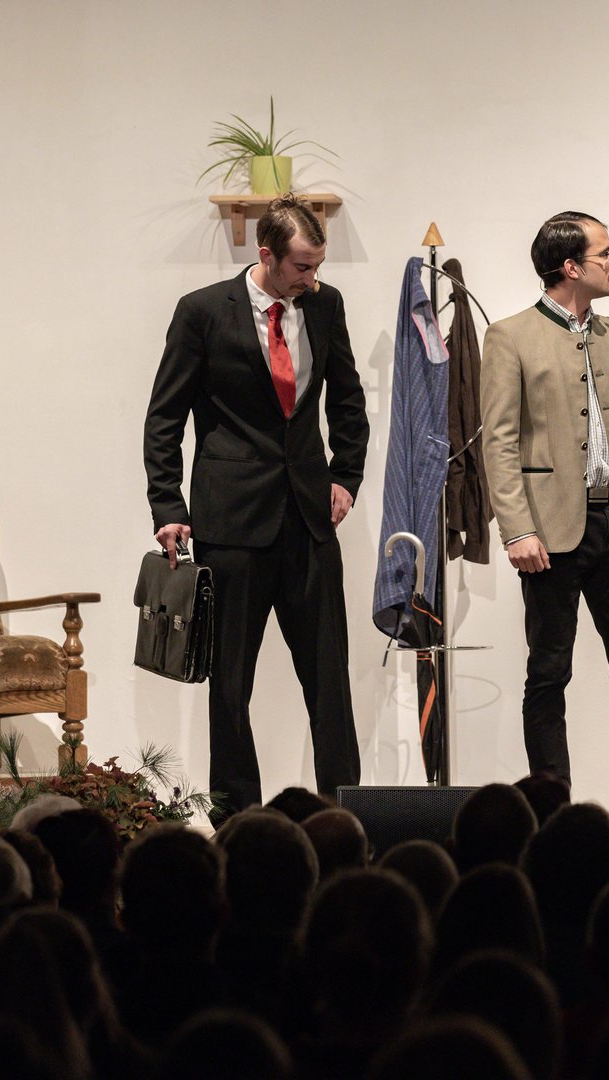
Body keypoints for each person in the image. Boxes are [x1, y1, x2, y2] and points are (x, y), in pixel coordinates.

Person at [144, 193, 369, 821]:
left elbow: (347, 400)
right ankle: (238, 821)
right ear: (266, 255)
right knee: (230, 684)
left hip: (309, 521)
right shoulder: (202, 311)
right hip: (231, 523)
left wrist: (346, 476)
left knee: (330, 680)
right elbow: (165, 418)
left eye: (318, 265)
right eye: (301, 266)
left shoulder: (324, 305)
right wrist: (167, 505)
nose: (312, 278)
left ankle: (342, 816)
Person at [480, 211, 609, 838]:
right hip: (549, 533)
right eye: (606, 253)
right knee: (548, 674)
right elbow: (499, 443)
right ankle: (552, 813)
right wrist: (516, 528)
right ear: (571, 266)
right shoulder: (510, 336)